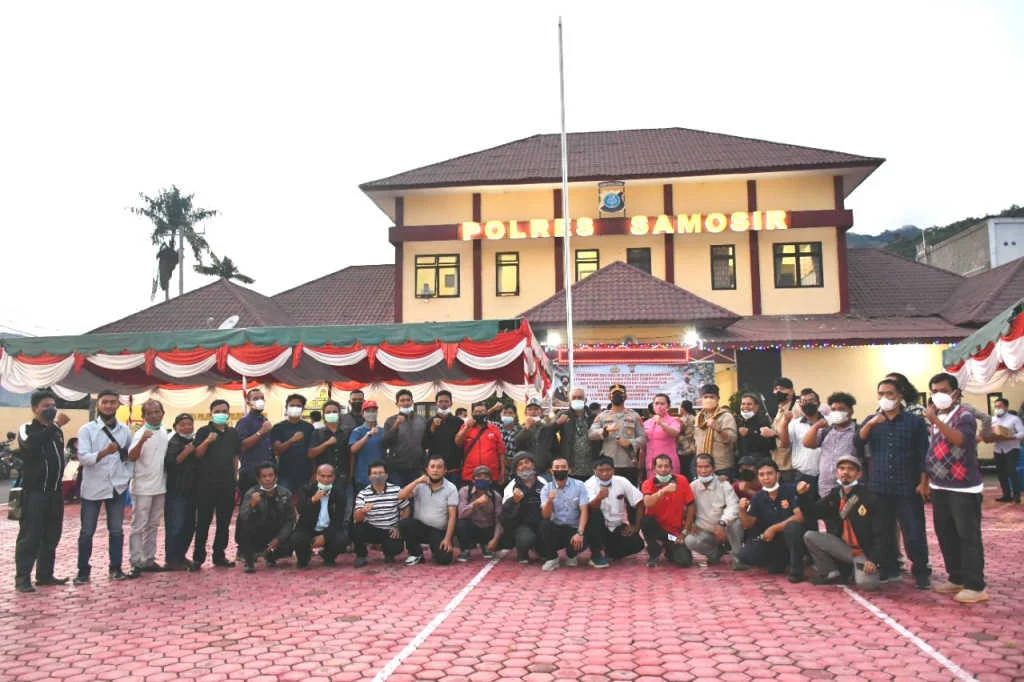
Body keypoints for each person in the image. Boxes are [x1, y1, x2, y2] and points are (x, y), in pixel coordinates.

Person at [858, 377, 931, 588]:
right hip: (879, 486)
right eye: (881, 394)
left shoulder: (914, 422)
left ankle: (921, 572)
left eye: (889, 393)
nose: (885, 398)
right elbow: (858, 442)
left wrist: (923, 482)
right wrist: (871, 423)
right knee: (883, 532)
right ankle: (890, 569)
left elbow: (923, 454)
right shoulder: (872, 421)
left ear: (899, 396)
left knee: (914, 532)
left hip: (907, 486)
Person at [923, 373, 988, 604]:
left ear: (956, 393)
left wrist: (936, 421)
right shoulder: (937, 418)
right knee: (946, 533)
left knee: (968, 536)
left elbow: (961, 440)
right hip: (939, 485)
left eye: (943, 390)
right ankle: (957, 576)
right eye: (934, 391)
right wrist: (925, 480)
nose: (938, 395)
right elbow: (932, 449)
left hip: (963, 488)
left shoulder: (964, 416)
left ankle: (975, 585)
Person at [76, 389, 136, 584]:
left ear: (118, 405)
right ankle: (83, 571)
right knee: (87, 531)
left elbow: (129, 456)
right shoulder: (87, 430)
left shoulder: (124, 430)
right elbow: (83, 458)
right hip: (93, 486)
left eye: (113, 402)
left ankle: (116, 568)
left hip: (117, 486)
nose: (109, 405)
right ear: (98, 404)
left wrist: (126, 475)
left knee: (116, 530)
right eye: (105, 402)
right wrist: (104, 453)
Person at [14, 389, 70, 592]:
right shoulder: (27, 429)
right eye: (46, 406)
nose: (51, 409)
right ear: (34, 409)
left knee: (52, 534)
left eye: (53, 406)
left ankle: (45, 574)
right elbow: (32, 445)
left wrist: (55, 428)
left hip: (55, 492)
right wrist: (55, 426)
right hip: (35, 492)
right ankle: (22, 579)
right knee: (30, 535)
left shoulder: (56, 432)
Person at [800, 455, 882, 590]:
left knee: (868, 584)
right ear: (837, 473)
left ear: (859, 474)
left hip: (863, 551)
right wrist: (802, 495)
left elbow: (882, 533)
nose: (845, 472)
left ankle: (858, 569)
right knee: (810, 536)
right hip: (843, 548)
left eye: (850, 469)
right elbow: (813, 512)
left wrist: (874, 559)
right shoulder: (835, 494)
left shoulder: (869, 498)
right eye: (842, 469)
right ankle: (831, 573)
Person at [736, 459, 808, 581]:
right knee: (745, 554)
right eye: (761, 474)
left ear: (778, 475)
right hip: (773, 541)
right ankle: (779, 562)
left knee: (792, 527)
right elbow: (748, 524)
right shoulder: (758, 497)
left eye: (770, 473)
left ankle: (797, 570)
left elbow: (799, 517)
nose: (766, 478)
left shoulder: (790, 490)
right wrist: (742, 510)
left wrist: (774, 528)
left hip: (791, 537)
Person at [192, 399, 241, 569]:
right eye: (217, 411)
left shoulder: (233, 433)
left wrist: (234, 478)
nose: (221, 414)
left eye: (224, 411)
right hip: (206, 484)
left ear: (228, 413)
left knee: (224, 522)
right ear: (211, 413)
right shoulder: (203, 431)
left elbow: (235, 456)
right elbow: (197, 454)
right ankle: (198, 558)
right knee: (203, 522)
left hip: (227, 484)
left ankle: (219, 555)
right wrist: (207, 441)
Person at [127, 399, 169, 576]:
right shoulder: (140, 433)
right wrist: (142, 441)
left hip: (160, 486)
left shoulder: (164, 432)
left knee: (153, 525)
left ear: (162, 413)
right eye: (149, 413)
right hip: (142, 487)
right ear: (144, 416)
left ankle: (149, 559)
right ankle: (135, 561)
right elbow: (131, 456)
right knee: (138, 525)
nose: (154, 415)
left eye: (157, 412)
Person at [583, 456, 644, 567]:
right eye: (601, 470)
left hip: (616, 525)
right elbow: (590, 507)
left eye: (608, 470)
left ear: (614, 470)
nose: (605, 473)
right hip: (597, 527)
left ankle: (611, 552)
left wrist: (635, 526)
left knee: (637, 543)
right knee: (595, 514)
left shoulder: (621, 481)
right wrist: (599, 498)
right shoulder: (588, 484)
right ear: (594, 471)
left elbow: (640, 502)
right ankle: (596, 554)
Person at [398, 455, 458, 565]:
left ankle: (435, 550)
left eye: (439, 467)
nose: (435, 470)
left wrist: (447, 539)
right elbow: (401, 496)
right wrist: (417, 481)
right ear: (427, 469)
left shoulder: (451, 488)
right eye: (432, 466)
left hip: (439, 531)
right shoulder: (419, 485)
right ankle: (416, 554)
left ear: (445, 470)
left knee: (444, 559)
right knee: (404, 524)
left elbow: (452, 516)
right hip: (420, 527)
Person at [686, 453, 743, 566]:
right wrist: (691, 524)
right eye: (700, 467)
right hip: (706, 530)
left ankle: (737, 557)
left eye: (706, 466)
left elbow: (733, 506)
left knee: (736, 523)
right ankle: (714, 553)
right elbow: (687, 507)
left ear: (713, 468)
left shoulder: (724, 484)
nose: (703, 470)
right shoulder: (692, 486)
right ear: (696, 468)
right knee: (690, 540)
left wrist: (722, 523)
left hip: (725, 529)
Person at [237, 463, 295, 573]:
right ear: (258, 479)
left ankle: (271, 556)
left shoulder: (285, 493)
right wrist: (252, 505)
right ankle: (249, 561)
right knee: (244, 526)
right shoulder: (251, 493)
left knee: (293, 539)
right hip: (257, 533)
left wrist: (278, 539)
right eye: (264, 476)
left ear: (276, 477)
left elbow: (290, 520)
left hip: (276, 532)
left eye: (270, 475)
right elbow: (243, 517)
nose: (268, 479)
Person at [639, 454, 695, 568]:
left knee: (684, 561)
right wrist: (663, 491)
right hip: (656, 531)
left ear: (671, 468)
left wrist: (684, 532)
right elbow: (647, 503)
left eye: (666, 466)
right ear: (654, 469)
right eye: (660, 466)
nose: (663, 469)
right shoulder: (648, 483)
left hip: (672, 535)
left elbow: (691, 505)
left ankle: (669, 549)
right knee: (646, 521)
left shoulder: (682, 480)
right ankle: (654, 552)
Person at [803, 392, 861, 500]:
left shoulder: (858, 432)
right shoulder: (826, 431)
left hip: (848, 489)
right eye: (833, 409)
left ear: (851, 411)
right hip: (825, 489)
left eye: (841, 409)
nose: (836, 412)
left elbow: (868, 458)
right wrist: (816, 426)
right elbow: (807, 443)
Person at [352, 461, 409, 567]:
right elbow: (357, 518)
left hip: (390, 530)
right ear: (369, 477)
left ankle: (388, 553)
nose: (378, 476)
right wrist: (363, 511)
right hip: (372, 529)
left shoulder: (396, 490)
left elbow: (406, 508)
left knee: (396, 547)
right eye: (374, 473)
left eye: (381, 473)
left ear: (386, 475)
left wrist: (399, 526)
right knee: (356, 528)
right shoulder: (363, 493)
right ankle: (361, 555)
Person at [291, 463, 349, 568]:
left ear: (334, 477)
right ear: (317, 476)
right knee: (297, 539)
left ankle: (328, 556)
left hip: (329, 528)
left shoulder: (339, 493)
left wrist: (325, 536)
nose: (326, 479)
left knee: (342, 539)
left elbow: (338, 519)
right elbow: (300, 509)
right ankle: (304, 557)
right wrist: (313, 500)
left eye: (329, 476)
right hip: (308, 527)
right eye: (322, 476)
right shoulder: (306, 489)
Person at [539, 458, 590, 571]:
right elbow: (545, 516)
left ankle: (571, 555)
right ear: (551, 471)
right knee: (544, 525)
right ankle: (552, 558)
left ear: (569, 470)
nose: (560, 470)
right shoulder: (546, 488)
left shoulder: (579, 485)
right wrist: (550, 500)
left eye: (563, 467)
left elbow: (584, 511)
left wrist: (580, 533)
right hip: (556, 528)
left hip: (574, 528)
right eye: (557, 467)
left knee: (585, 537)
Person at [589, 384, 646, 484]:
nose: (617, 396)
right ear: (609, 396)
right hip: (607, 464)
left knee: (628, 492)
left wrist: (630, 442)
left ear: (626, 396)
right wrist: (605, 431)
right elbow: (591, 434)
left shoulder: (634, 416)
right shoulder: (602, 416)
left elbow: (643, 438)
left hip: (628, 463)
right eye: (614, 394)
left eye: (620, 394)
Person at [164, 413, 198, 571]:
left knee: (189, 526)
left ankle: (181, 555)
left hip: (192, 490)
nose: (187, 427)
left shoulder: (194, 440)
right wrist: (186, 451)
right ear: (176, 427)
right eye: (182, 424)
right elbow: (171, 463)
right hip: (176, 491)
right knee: (175, 525)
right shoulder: (173, 442)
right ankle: (171, 559)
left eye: (189, 424)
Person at [500, 453, 545, 564]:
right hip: (522, 525)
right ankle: (522, 551)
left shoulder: (543, 482)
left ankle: (541, 550)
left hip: (541, 523)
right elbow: (504, 515)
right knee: (525, 539)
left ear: (533, 465)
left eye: (527, 462)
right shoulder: (511, 487)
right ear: (516, 470)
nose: (524, 466)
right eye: (520, 464)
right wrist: (514, 501)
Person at [779, 388, 822, 501]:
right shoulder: (794, 424)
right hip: (802, 475)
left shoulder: (828, 422)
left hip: (825, 475)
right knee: (804, 507)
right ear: (800, 404)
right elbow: (784, 445)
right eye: (804, 401)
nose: (808, 404)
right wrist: (785, 424)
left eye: (811, 400)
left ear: (818, 402)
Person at [456, 465, 503, 562]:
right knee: (461, 523)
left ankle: (486, 546)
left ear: (490, 481)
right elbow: (461, 514)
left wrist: (495, 539)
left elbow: (499, 520)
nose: (482, 479)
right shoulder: (464, 491)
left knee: (501, 532)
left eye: (486, 477)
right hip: (471, 527)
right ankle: (465, 549)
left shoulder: (496, 496)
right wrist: (475, 503)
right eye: (479, 476)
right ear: (473, 480)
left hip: (487, 528)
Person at [271, 393, 315, 497]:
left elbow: (312, 452)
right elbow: (277, 451)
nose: (295, 408)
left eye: (298, 406)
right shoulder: (278, 427)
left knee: (304, 502)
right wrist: (292, 440)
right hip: (285, 474)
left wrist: (314, 472)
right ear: (286, 407)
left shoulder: (309, 427)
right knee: (285, 502)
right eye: (292, 405)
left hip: (305, 473)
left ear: (303, 409)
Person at [235, 387, 274, 499]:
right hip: (250, 474)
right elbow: (242, 446)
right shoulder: (244, 422)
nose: (260, 401)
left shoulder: (265, 420)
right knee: (249, 506)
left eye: (262, 398)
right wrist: (261, 432)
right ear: (248, 403)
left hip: (266, 475)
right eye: (256, 398)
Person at [382, 389, 427, 486]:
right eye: (402, 401)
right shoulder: (390, 420)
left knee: (415, 494)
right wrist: (396, 424)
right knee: (399, 494)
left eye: (408, 400)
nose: (406, 403)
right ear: (397, 404)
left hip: (416, 468)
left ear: (412, 402)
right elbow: (386, 442)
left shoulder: (421, 419)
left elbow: (425, 443)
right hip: (396, 469)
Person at [693, 384, 737, 480]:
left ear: (718, 399)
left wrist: (718, 429)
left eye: (712, 397)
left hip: (721, 466)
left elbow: (732, 439)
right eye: (705, 397)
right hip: (701, 466)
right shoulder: (698, 417)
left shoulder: (726, 416)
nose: (708, 399)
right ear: (701, 399)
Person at [421, 390, 464, 485]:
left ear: (451, 403)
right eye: (440, 401)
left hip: (453, 467)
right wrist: (432, 428)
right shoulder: (429, 422)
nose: (443, 404)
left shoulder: (458, 422)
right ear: (436, 404)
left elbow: (462, 444)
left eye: (446, 401)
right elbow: (425, 444)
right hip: (435, 469)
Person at [456, 402, 506, 483]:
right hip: (470, 474)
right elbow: (458, 443)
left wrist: (502, 471)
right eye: (477, 412)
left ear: (486, 413)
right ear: (472, 414)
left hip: (491, 475)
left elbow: (501, 451)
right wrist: (466, 428)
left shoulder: (494, 428)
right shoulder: (466, 427)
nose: (480, 414)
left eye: (482, 411)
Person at [555, 387, 600, 478]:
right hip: (570, 469)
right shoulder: (563, 415)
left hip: (591, 469)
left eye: (580, 397)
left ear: (585, 400)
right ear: (569, 400)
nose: (577, 400)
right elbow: (549, 434)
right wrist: (557, 423)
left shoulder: (594, 417)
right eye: (574, 398)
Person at [988, 397, 1024, 503]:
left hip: (1011, 448)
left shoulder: (1014, 419)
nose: (997, 409)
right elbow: (989, 432)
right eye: (995, 407)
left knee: (1012, 471)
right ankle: (1006, 495)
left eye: (1000, 406)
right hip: (998, 449)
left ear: (1006, 407)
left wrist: (1012, 436)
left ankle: (1016, 495)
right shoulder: (992, 420)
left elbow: (1022, 433)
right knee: (1001, 473)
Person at [762, 377, 797, 481]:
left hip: (790, 464)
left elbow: (794, 436)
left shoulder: (796, 409)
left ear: (791, 391)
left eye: (782, 389)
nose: (778, 392)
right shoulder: (780, 409)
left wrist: (773, 433)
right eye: (776, 389)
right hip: (778, 462)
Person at [514, 398, 558, 476]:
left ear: (541, 413)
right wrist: (526, 428)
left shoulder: (547, 428)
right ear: (525, 413)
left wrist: (553, 466)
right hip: (526, 472)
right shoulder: (519, 428)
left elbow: (555, 450)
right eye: (530, 409)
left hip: (545, 472)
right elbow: (517, 444)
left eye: (536, 409)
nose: (533, 412)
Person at [643, 393, 682, 478]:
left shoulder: (673, 420)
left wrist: (661, 423)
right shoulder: (646, 423)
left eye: (662, 404)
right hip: (651, 464)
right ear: (653, 405)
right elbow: (643, 443)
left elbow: (675, 432)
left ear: (668, 406)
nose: (659, 406)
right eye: (656, 403)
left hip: (668, 464)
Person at [349, 401, 385, 492]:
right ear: (363, 413)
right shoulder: (358, 431)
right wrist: (367, 436)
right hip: (363, 476)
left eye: (374, 411)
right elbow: (353, 449)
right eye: (368, 411)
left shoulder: (383, 431)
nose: (371, 413)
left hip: (380, 475)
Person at [736, 393, 774, 462]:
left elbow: (770, 444)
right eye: (743, 404)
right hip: (741, 463)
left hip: (759, 462)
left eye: (749, 404)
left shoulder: (764, 421)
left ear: (757, 406)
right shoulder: (738, 421)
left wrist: (749, 433)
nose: (745, 406)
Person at [498, 404, 522, 478]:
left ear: (515, 415)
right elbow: (481, 419)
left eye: (510, 413)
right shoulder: (495, 428)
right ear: (500, 414)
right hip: (496, 469)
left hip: (513, 470)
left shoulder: (520, 431)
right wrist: (493, 409)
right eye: (505, 413)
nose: (507, 415)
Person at [676, 400, 697, 477]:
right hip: (692, 447)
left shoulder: (682, 420)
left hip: (683, 448)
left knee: (684, 471)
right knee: (690, 470)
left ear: (683, 408)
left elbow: (678, 432)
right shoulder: (695, 418)